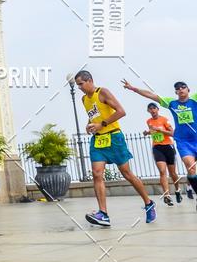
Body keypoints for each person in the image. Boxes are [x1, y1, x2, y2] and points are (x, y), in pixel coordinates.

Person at [75, 70, 156, 226]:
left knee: (126, 173)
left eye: (81, 84)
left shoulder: (102, 92)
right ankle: (103, 214)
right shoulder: (84, 99)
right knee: (97, 174)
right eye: (78, 85)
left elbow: (121, 111)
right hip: (98, 140)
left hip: (114, 136)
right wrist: (89, 125)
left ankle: (148, 203)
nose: (79, 87)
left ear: (90, 80)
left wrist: (102, 124)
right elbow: (94, 115)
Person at [123, 79, 197, 209]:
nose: (180, 89)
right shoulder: (171, 103)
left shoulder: (194, 100)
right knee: (191, 168)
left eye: (183, 87)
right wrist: (133, 88)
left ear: (188, 90)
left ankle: (187, 187)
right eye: (178, 88)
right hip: (183, 142)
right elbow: (151, 95)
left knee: (186, 172)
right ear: (175, 91)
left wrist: (161, 130)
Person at [144, 102, 181, 205]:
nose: (152, 110)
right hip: (157, 147)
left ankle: (178, 190)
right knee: (162, 171)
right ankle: (167, 195)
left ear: (157, 109)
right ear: (148, 111)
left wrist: (161, 130)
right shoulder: (149, 121)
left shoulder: (164, 119)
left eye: (154, 108)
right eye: (150, 109)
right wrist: (147, 133)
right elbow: (153, 131)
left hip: (168, 146)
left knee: (172, 173)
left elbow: (172, 133)